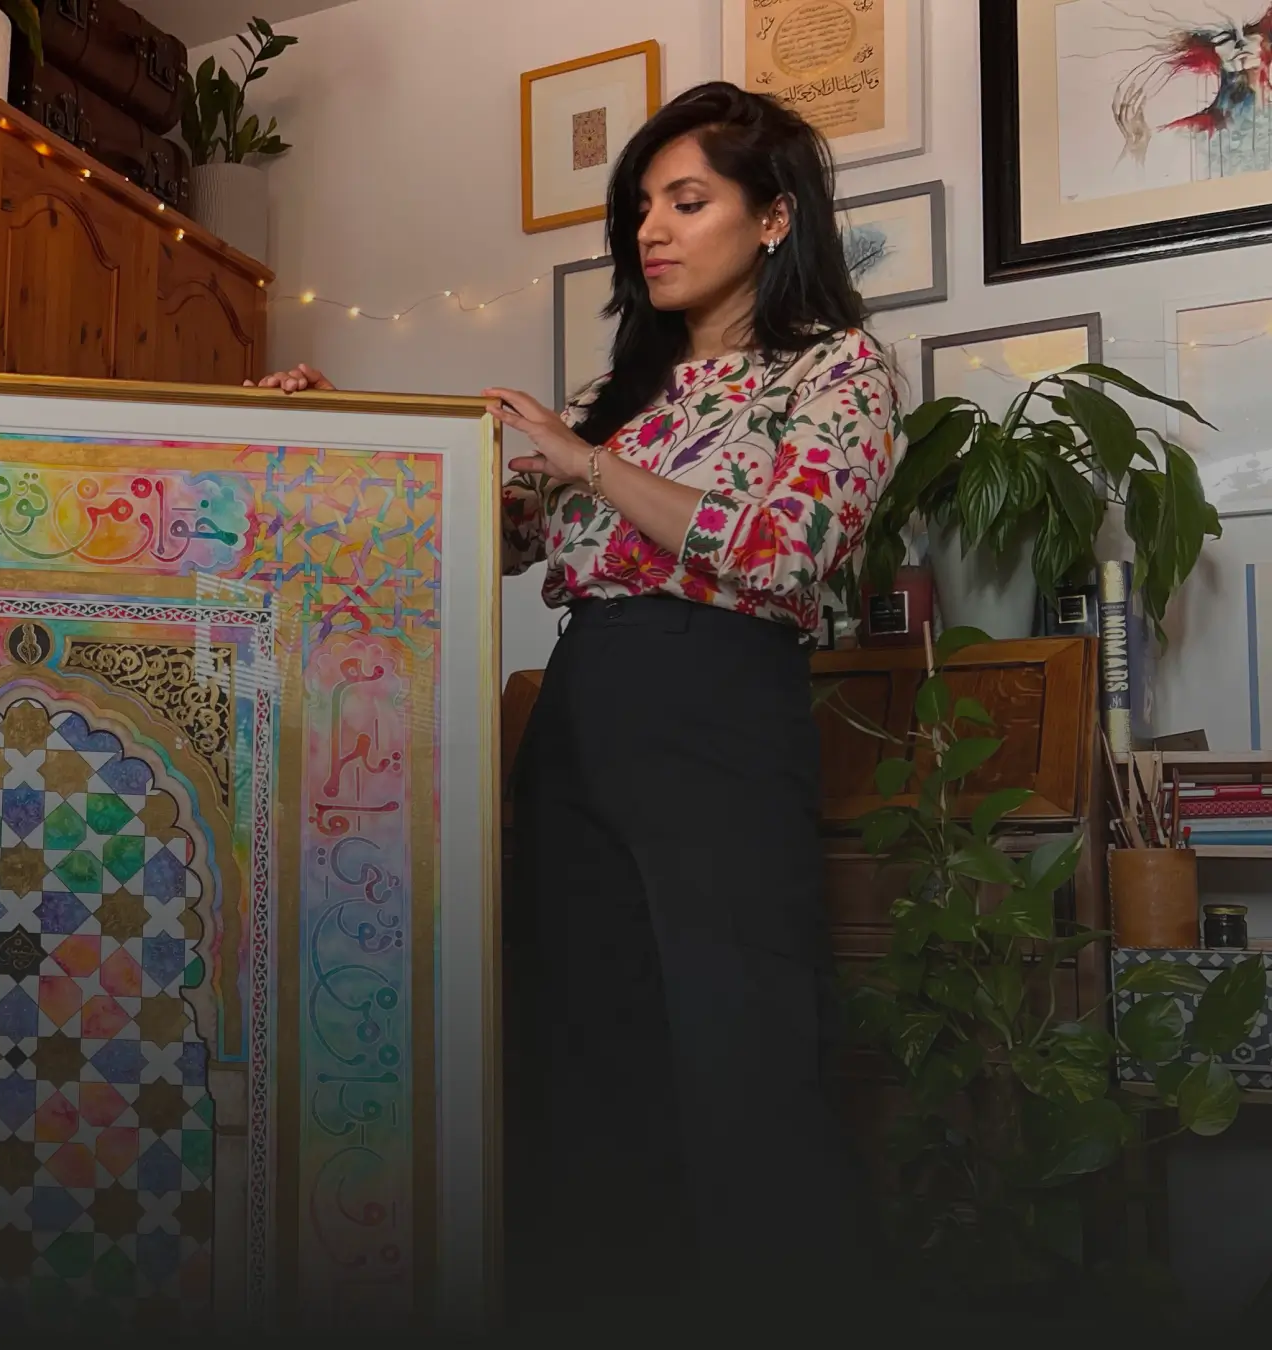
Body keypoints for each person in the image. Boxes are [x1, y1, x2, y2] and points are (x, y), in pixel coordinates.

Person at [253, 82, 898, 1314]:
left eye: (686, 199)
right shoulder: (630, 399)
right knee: (582, 1046)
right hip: (580, 705)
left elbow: (778, 555)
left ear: (773, 218)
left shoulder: (838, 372)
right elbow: (473, 537)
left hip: (718, 714)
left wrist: (583, 457)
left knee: (742, 1054)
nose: (650, 228)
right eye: (640, 206)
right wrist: (335, 434)